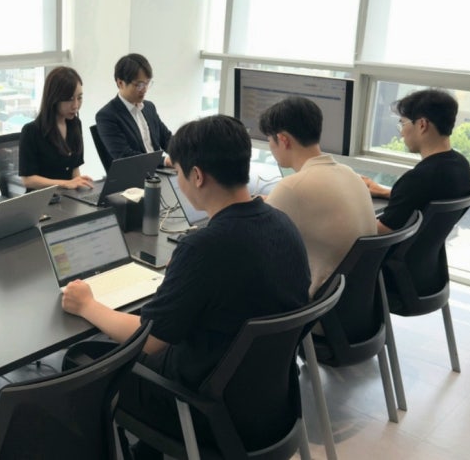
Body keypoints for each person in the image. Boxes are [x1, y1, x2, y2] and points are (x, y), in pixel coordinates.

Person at [62, 115, 310, 458]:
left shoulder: (205, 247)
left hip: (204, 410)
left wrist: (87, 305)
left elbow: (149, 341)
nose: (178, 181)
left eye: (178, 173)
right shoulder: (283, 224)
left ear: (197, 175)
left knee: (80, 359)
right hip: (268, 403)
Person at [259, 96, 376, 297]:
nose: (270, 147)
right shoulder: (349, 173)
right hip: (357, 298)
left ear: (283, 140)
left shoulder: (292, 187)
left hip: (319, 305)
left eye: (269, 140)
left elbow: (255, 241)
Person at [362, 89, 470, 234]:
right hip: (428, 248)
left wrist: (350, 205)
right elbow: (425, 199)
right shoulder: (462, 166)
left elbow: (380, 232)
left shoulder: (418, 178)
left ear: (422, 125)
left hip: (395, 249)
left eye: (403, 123)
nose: (401, 133)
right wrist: (384, 192)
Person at [18, 66, 94, 190]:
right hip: (43, 198)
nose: (76, 105)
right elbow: (28, 180)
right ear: (54, 98)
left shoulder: (75, 124)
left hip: (67, 195)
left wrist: (79, 187)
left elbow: (74, 169)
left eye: (79, 98)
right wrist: (64, 183)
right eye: (69, 99)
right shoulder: (31, 131)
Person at [95, 53, 172, 165]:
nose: (144, 89)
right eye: (139, 85)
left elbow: (167, 139)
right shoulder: (107, 116)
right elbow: (125, 156)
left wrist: (185, 153)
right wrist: (164, 161)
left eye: (147, 83)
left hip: (158, 171)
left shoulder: (149, 107)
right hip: (134, 173)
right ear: (120, 83)